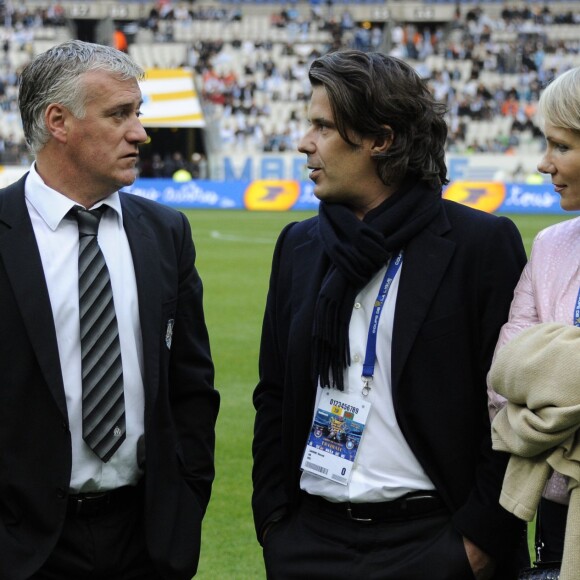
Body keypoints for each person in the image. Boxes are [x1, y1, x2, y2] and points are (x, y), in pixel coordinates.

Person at [252, 49, 528, 579]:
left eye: (322, 127)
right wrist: (275, 525)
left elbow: (509, 409)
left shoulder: (480, 245)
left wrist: (476, 543)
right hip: (311, 540)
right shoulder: (300, 245)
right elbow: (275, 395)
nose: (304, 143)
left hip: (433, 541)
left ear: (380, 139)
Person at [0, 40, 219, 580]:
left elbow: (191, 386)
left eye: (137, 112)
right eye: (120, 114)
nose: (140, 132)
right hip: (22, 545)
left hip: (144, 539)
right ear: (58, 122)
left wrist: (185, 503)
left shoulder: (166, 233)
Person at [488, 65, 580, 573]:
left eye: (561, 146)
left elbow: (535, 373)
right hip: (554, 513)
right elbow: (504, 379)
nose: (544, 164)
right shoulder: (550, 246)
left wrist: (552, 371)